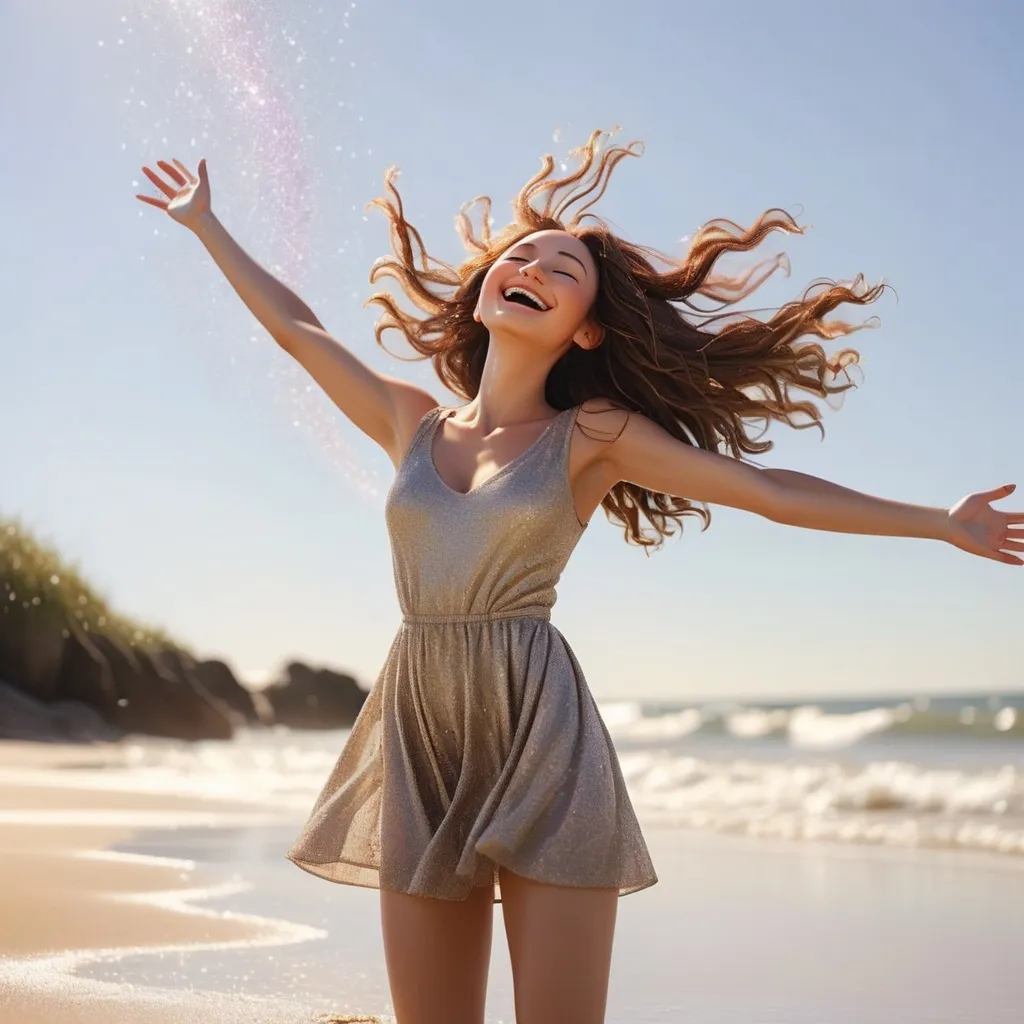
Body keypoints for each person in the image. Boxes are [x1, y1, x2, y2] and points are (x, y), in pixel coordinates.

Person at [136, 130, 1022, 1024]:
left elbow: (765, 492)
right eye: (520, 256)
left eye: (563, 270)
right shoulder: (409, 420)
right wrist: (208, 226)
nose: (532, 266)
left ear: (585, 328)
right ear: (485, 293)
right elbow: (301, 332)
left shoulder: (592, 433)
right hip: (419, 723)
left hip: (539, 729)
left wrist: (937, 523)